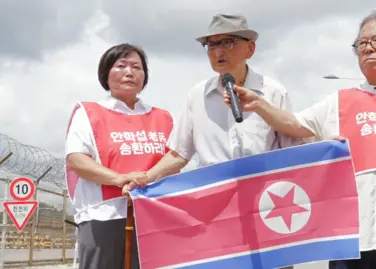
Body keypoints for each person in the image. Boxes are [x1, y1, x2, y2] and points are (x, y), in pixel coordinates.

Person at [224, 10, 376, 269]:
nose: (367, 48)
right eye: (361, 44)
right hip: (349, 241)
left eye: (375, 40)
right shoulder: (339, 102)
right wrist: (259, 104)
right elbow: (294, 125)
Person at [123, 13, 301, 269]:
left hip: (266, 209)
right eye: (211, 44)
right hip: (215, 213)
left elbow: (293, 153)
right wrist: (145, 178)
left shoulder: (273, 92)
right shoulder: (198, 96)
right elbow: (180, 153)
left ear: (250, 48)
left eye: (227, 42)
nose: (218, 51)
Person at [65, 43, 175, 269]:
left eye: (136, 67)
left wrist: (144, 179)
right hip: (103, 216)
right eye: (121, 65)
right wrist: (120, 179)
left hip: (153, 216)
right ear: (106, 74)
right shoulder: (88, 112)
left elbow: (175, 161)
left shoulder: (163, 117)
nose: (129, 72)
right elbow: (77, 160)